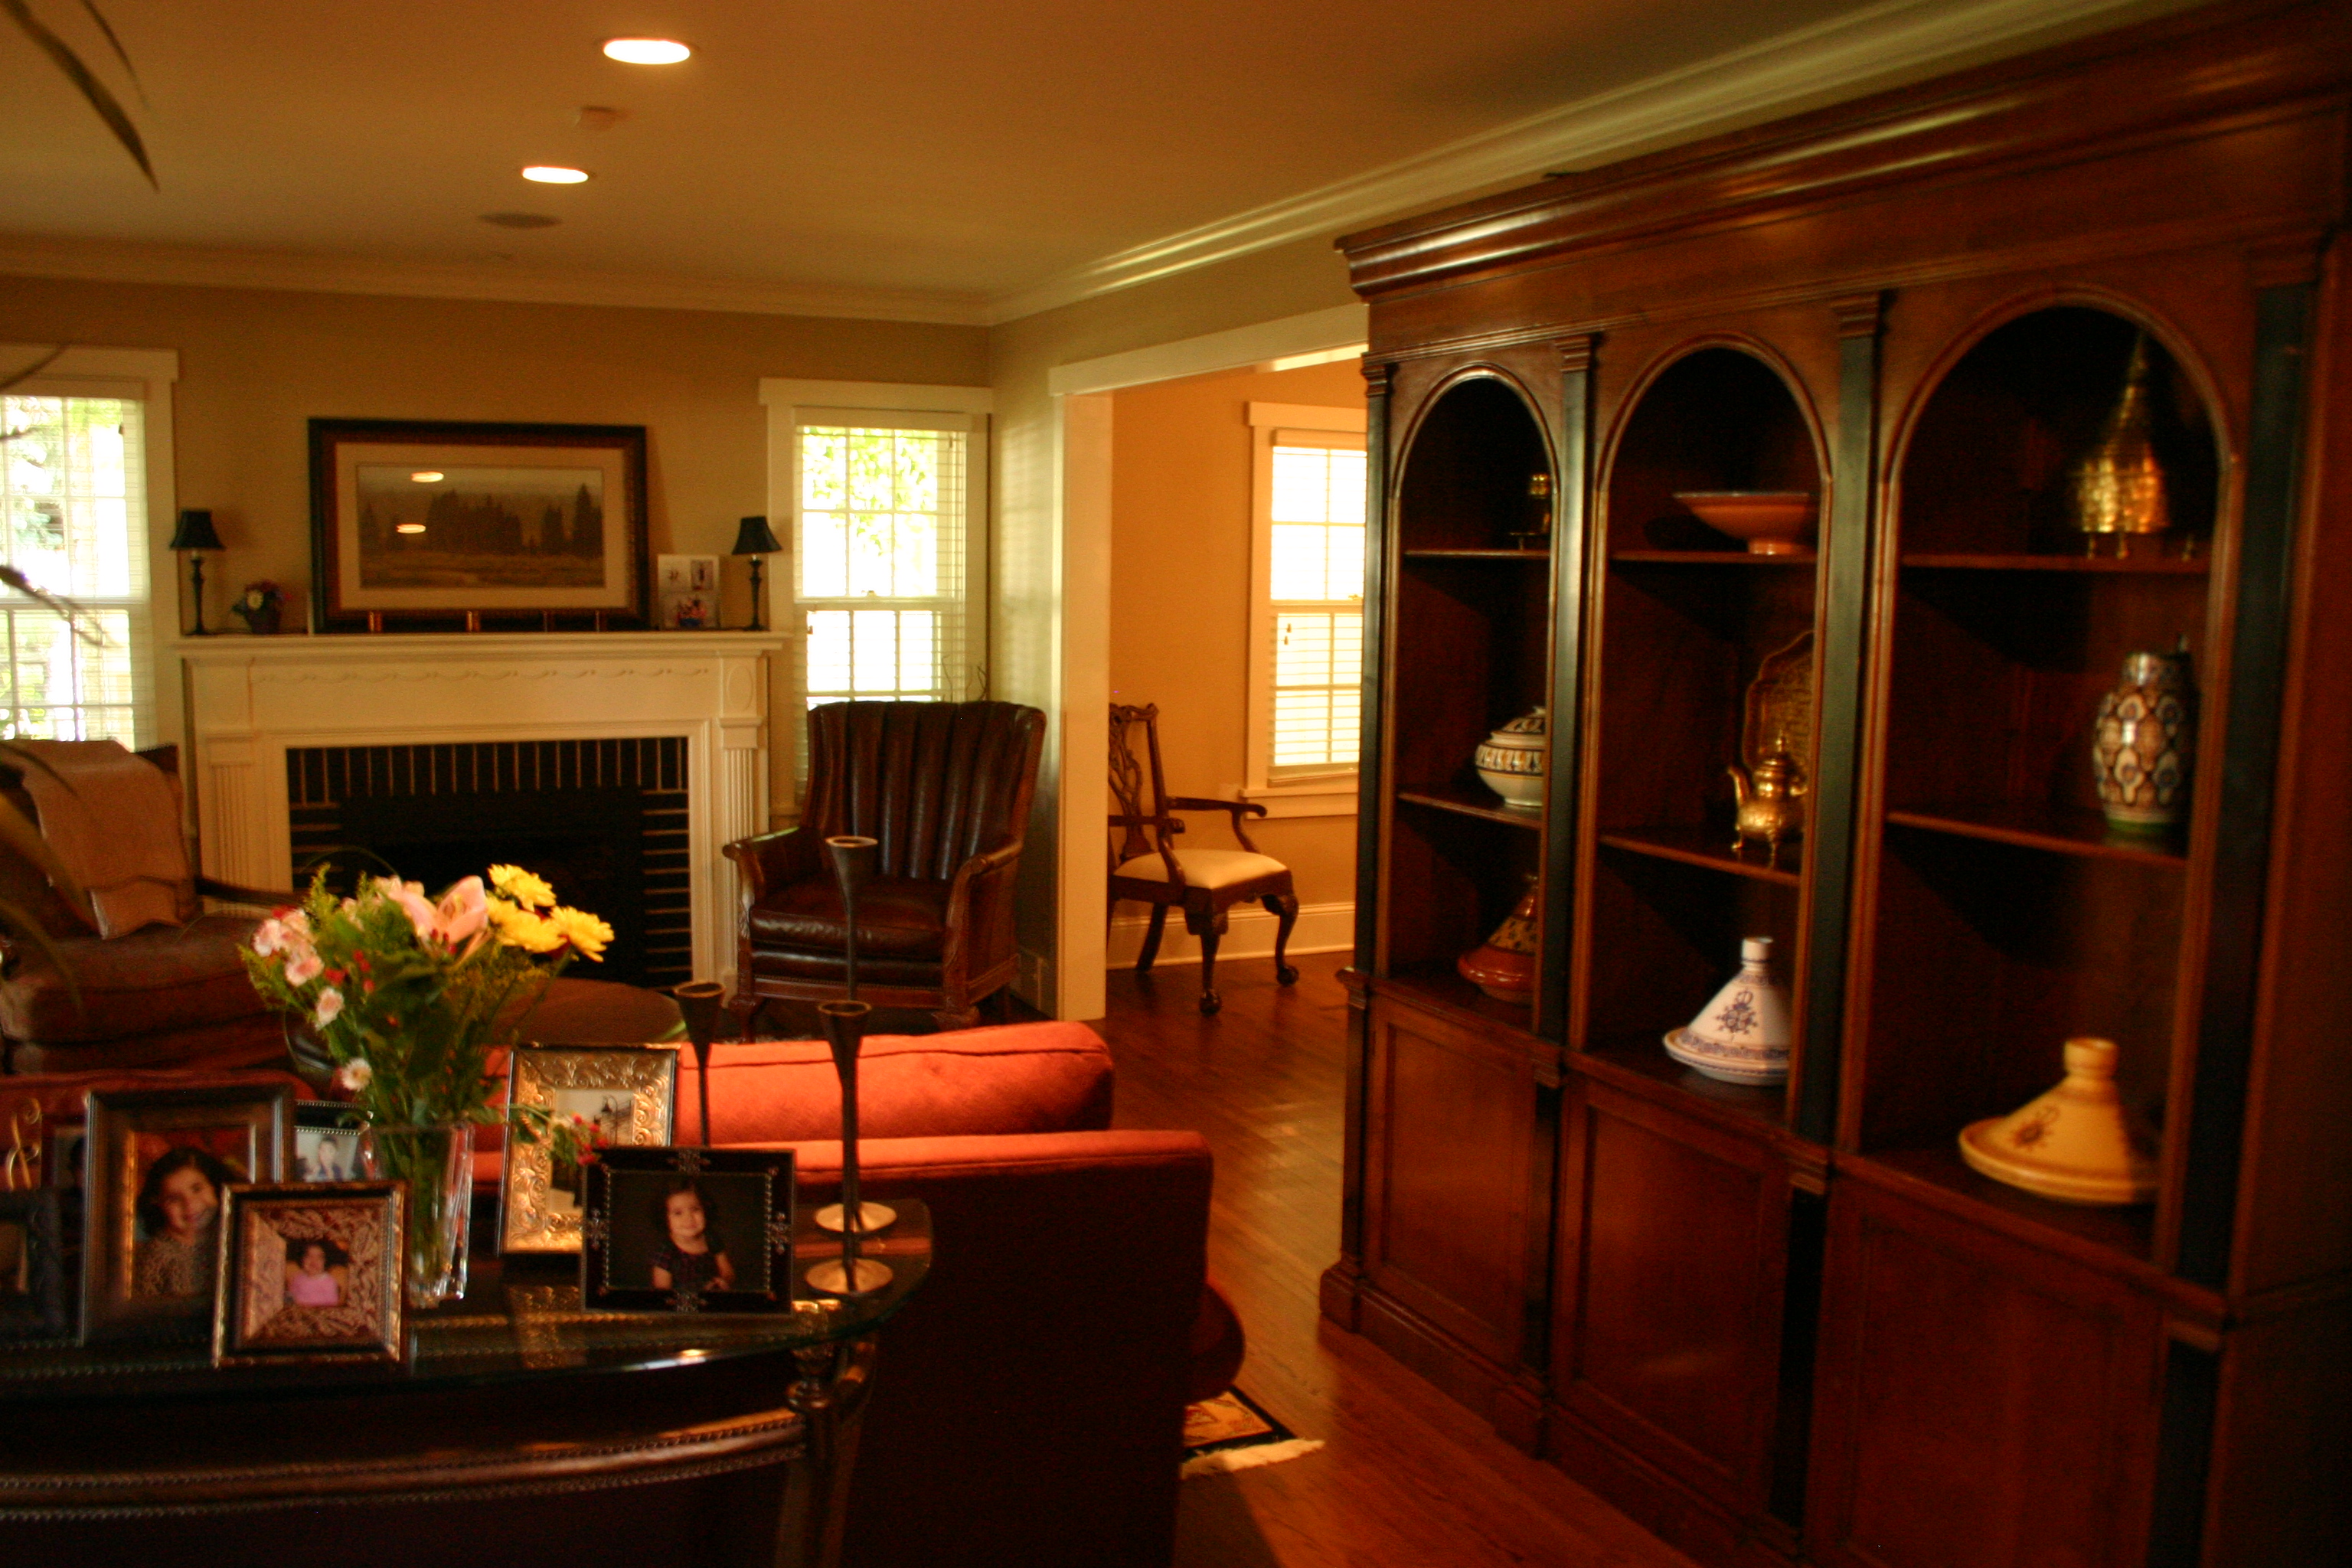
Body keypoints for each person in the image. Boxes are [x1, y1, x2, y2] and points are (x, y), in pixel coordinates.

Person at [132, 1146, 237, 1298]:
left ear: (215, 1187)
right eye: (174, 1199)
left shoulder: (238, 1237)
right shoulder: (154, 1259)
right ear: (158, 1204)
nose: (189, 1205)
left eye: (197, 1189)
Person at [648, 1178, 734, 1292]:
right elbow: (662, 1290)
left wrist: (723, 1282)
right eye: (678, 1213)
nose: (689, 1219)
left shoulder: (710, 1239)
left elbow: (727, 1272)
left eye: (695, 1210)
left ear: (706, 1210)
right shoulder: (666, 1250)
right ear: (664, 1218)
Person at [285, 1240, 342, 1307]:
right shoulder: (298, 1278)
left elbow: (332, 1305)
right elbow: (291, 1296)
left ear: (326, 1261)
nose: (314, 1261)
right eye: (309, 1256)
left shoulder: (329, 1282)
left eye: (319, 1257)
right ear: (302, 1259)